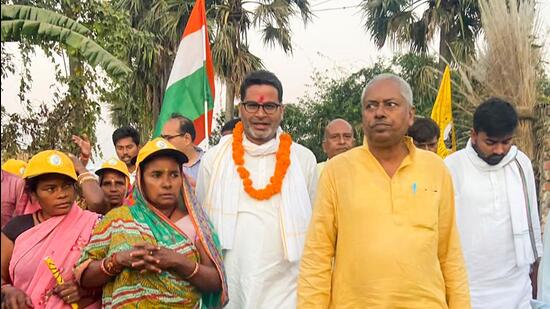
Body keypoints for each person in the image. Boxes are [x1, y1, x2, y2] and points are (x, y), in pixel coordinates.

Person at [298, 73, 470, 308]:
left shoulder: (435, 169)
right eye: (371, 106)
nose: (379, 112)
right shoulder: (337, 171)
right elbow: (317, 255)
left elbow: (450, 254)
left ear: (410, 115)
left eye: (390, 104)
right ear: (363, 116)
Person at [196, 70, 318, 309]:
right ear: (241, 109)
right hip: (232, 281)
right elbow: (202, 225)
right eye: (252, 106)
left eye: (270, 107)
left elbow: (314, 224)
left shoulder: (303, 159)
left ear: (281, 110)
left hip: (287, 285)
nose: (261, 114)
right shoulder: (214, 159)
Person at [75, 138, 227, 308]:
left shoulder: (197, 224)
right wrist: (118, 260)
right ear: (141, 180)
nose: (167, 183)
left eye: (174, 175)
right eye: (156, 175)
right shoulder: (118, 219)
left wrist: (178, 261)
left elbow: (215, 282)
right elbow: (85, 276)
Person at [445, 98, 542, 309]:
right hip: (470, 291)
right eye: (490, 142)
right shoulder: (451, 168)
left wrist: (533, 283)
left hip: (517, 290)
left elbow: (532, 226)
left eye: (506, 142)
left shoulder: (520, 163)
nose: (499, 150)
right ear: (473, 135)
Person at [1, 150, 101, 308]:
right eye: (50, 189)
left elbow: (109, 273)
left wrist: (85, 291)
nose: (62, 194)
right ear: (33, 194)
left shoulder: (93, 224)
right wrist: (8, 290)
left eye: (67, 186)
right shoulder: (17, 228)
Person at [161, 113, 205, 182]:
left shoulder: (210, 163)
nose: (164, 142)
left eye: (169, 138)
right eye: (163, 138)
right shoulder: (161, 165)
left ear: (187, 138)